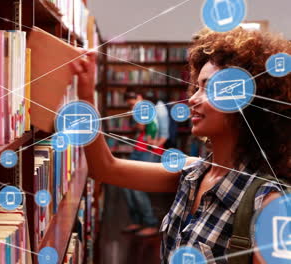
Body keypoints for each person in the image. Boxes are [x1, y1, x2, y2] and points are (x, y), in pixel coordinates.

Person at [72, 27, 290, 263]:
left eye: (208, 88)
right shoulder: (192, 173)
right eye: (197, 86)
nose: (193, 98)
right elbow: (105, 168)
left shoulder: (271, 203)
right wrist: (85, 95)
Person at [122, 91, 159, 236]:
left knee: (138, 188)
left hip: (148, 151)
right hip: (138, 149)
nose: (132, 106)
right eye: (130, 105)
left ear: (139, 97)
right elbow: (136, 128)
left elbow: (142, 126)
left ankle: (151, 223)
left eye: (133, 103)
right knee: (126, 185)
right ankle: (137, 221)